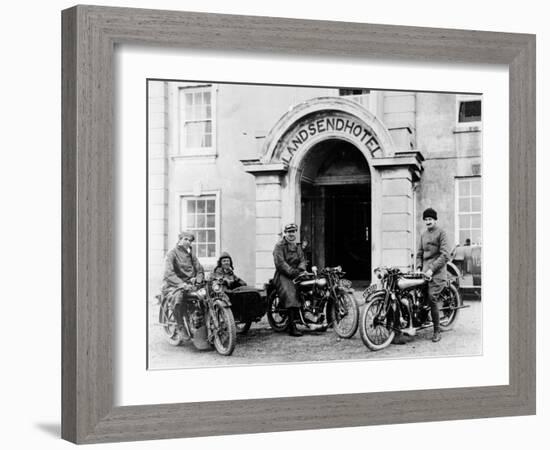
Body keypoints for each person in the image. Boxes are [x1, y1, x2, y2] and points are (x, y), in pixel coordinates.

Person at [415, 207, 450, 343]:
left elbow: (445, 255)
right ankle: (420, 320)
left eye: (430, 219)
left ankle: (437, 330)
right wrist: (418, 267)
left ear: (435, 220)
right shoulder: (423, 235)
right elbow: (419, 254)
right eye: (426, 219)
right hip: (424, 272)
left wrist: (432, 269)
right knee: (417, 296)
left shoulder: (441, 233)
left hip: (438, 272)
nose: (428, 221)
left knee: (432, 297)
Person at [162, 231, 205, 338]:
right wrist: (182, 284)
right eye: (185, 239)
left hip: (190, 284)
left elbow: (200, 270)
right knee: (178, 297)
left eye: (190, 240)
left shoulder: (191, 255)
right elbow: (169, 273)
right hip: (174, 284)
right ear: (180, 240)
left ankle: (204, 322)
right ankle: (180, 326)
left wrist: (198, 280)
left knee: (208, 293)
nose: (187, 242)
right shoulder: (172, 253)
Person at [273, 223, 307, 337]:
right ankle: (292, 327)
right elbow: (280, 263)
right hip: (283, 275)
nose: (291, 234)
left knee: (311, 287)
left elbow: (302, 259)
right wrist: (292, 272)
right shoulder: (279, 246)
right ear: (285, 233)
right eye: (289, 232)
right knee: (291, 294)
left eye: (293, 232)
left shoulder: (297, 246)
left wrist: (301, 269)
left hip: (297, 272)